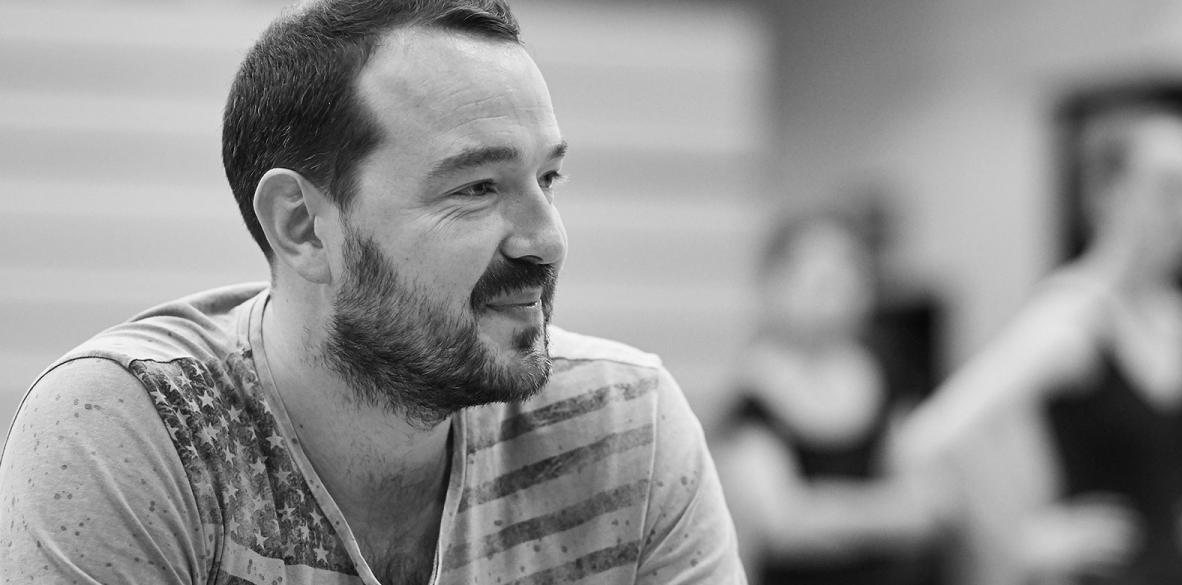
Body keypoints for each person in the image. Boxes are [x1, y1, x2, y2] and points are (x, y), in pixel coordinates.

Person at [0, 1, 744, 583]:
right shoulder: (138, 431)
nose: (547, 240)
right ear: (303, 225)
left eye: (547, 178)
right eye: (479, 187)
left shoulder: (624, 426)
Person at [893, 98, 1182, 585]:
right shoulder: (1073, 318)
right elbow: (930, 439)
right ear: (1107, 193)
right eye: (1172, 189)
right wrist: (1022, 539)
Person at [713, 212, 946, 585]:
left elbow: (932, 506)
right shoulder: (752, 398)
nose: (835, 300)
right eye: (820, 283)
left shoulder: (891, 372)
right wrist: (886, 509)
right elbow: (783, 527)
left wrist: (825, 507)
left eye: (848, 280)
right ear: (775, 286)